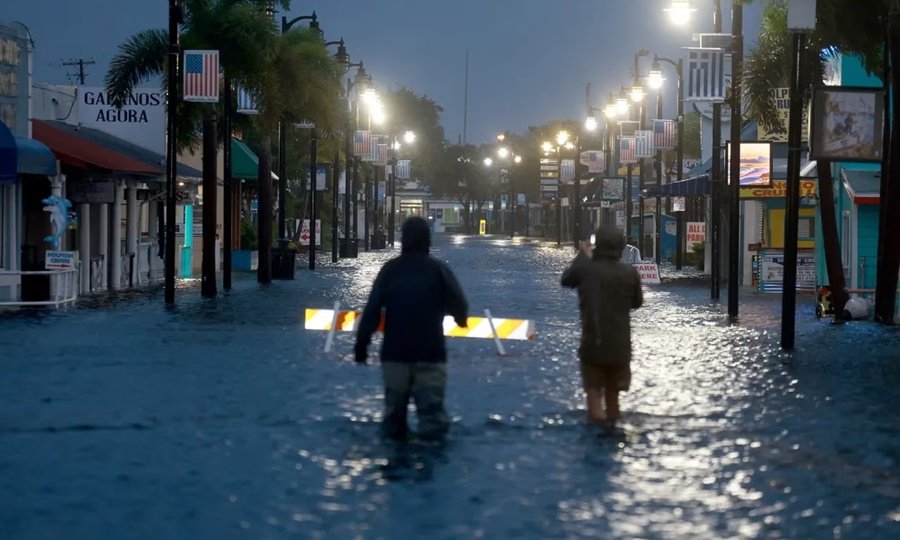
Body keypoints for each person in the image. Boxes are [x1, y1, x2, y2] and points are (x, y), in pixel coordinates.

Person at [354, 216, 469, 441]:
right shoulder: (439, 270)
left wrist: (361, 345)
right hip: (431, 354)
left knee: (393, 422)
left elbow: (372, 310)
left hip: (395, 355)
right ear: (428, 241)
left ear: (402, 240)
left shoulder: (389, 271)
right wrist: (460, 319)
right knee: (432, 420)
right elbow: (460, 305)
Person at [561, 226, 644, 430]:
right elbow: (636, 303)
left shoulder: (586, 270)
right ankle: (612, 430)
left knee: (594, 392)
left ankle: (597, 429)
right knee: (613, 395)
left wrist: (583, 255)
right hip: (620, 347)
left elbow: (566, 280)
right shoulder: (629, 273)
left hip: (593, 343)